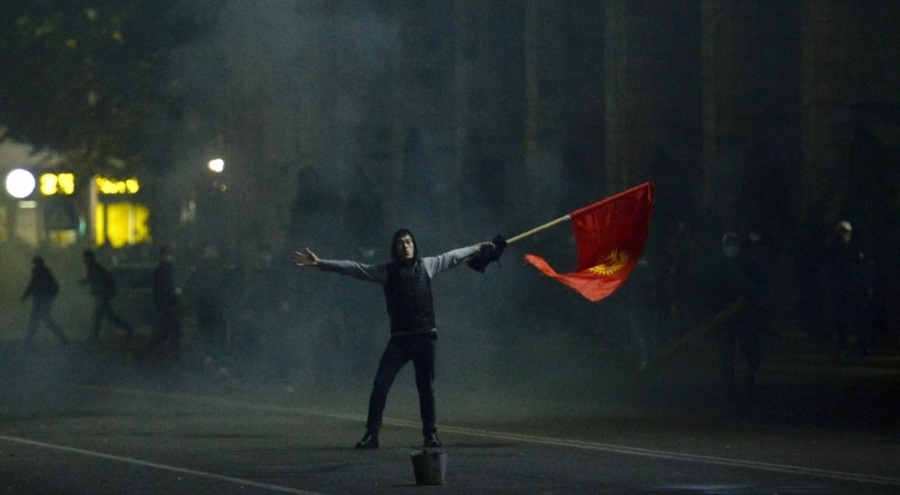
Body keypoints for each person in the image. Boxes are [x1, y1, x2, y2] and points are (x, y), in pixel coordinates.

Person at [292, 229, 498, 449]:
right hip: (400, 341)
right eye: (401, 243)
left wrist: (477, 248)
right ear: (395, 248)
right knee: (381, 384)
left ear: (414, 245)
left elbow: (453, 255)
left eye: (409, 242)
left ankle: (431, 434)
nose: (406, 246)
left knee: (425, 388)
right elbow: (354, 268)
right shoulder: (386, 273)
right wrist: (322, 263)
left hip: (425, 338)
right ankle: (372, 435)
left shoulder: (427, 265)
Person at [713, 233, 764, 409]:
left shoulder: (747, 265)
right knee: (726, 356)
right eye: (728, 244)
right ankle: (730, 388)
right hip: (726, 319)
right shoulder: (719, 266)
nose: (731, 247)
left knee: (753, 353)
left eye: (734, 244)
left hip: (746, 318)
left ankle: (750, 382)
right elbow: (712, 293)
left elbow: (756, 289)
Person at [823, 220, 874, 358]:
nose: (842, 235)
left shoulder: (856, 249)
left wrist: (867, 286)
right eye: (840, 232)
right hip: (840, 289)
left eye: (845, 232)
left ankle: (864, 347)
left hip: (856, 289)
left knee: (860, 320)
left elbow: (864, 269)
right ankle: (842, 348)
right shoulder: (832, 249)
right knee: (841, 320)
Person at [135, 245, 182, 363]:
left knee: (166, 333)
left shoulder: (164, 269)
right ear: (163, 256)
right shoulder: (164, 270)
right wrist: (174, 296)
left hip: (164, 306)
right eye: (168, 254)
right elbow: (164, 289)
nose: (171, 256)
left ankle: (142, 353)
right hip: (166, 306)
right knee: (173, 333)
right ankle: (175, 359)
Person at [81, 249, 135, 342]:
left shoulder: (93, 268)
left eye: (84, 258)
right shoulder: (95, 267)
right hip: (102, 295)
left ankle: (128, 327)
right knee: (98, 316)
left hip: (101, 295)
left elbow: (95, 280)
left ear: (88, 258)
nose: (83, 260)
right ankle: (93, 335)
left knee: (108, 316)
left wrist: (84, 283)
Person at [21, 256, 70, 349]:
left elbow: (33, 285)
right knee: (43, 321)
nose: (35, 265)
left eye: (36, 263)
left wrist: (26, 296)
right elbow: (32, 285)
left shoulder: (43, 273)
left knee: (38, 321)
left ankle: (28, 342)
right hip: (41, 300)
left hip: (42, 301)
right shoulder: (42, 273)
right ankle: (63, 340)